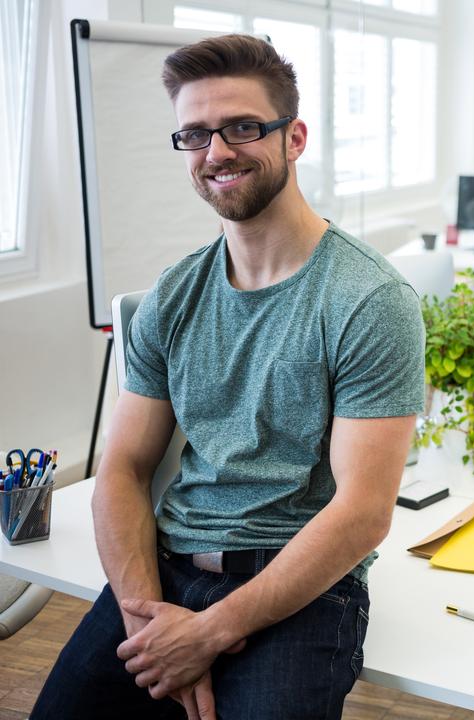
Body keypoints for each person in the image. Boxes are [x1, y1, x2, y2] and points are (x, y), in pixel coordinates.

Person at [31, 34, 425, 720]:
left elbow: (363, 514)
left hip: (301, 584)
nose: (217, 152)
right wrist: (150, 629)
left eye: (242, 127)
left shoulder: (369, 300)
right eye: (195, 134)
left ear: (294, 137)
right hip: (169, 567)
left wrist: (208, 635)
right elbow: (121, 469)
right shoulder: (173, 296)